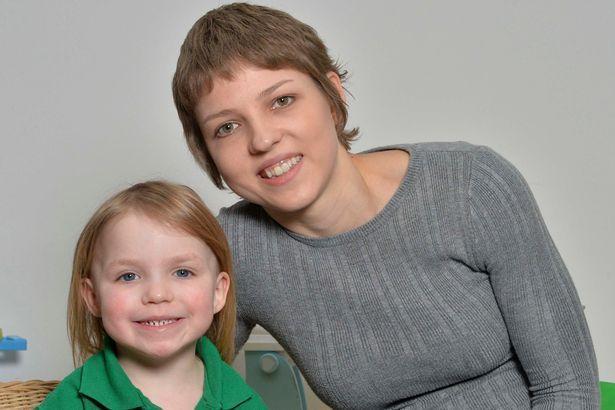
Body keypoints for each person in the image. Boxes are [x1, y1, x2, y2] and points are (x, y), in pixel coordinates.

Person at [172, 3, 600, 409]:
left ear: (333, 96)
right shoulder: (235, 250)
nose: (263, 139)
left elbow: (568, 388)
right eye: (227, 127)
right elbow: (170, 382)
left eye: (282, 101)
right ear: (208, 154)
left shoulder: (471, 186)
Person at [39, 181, 267, 409]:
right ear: (93, 297)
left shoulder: (246, 402)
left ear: (218, 292)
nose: (157, 294)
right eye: (128, 276)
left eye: (182, 272)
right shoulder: (69, 403)